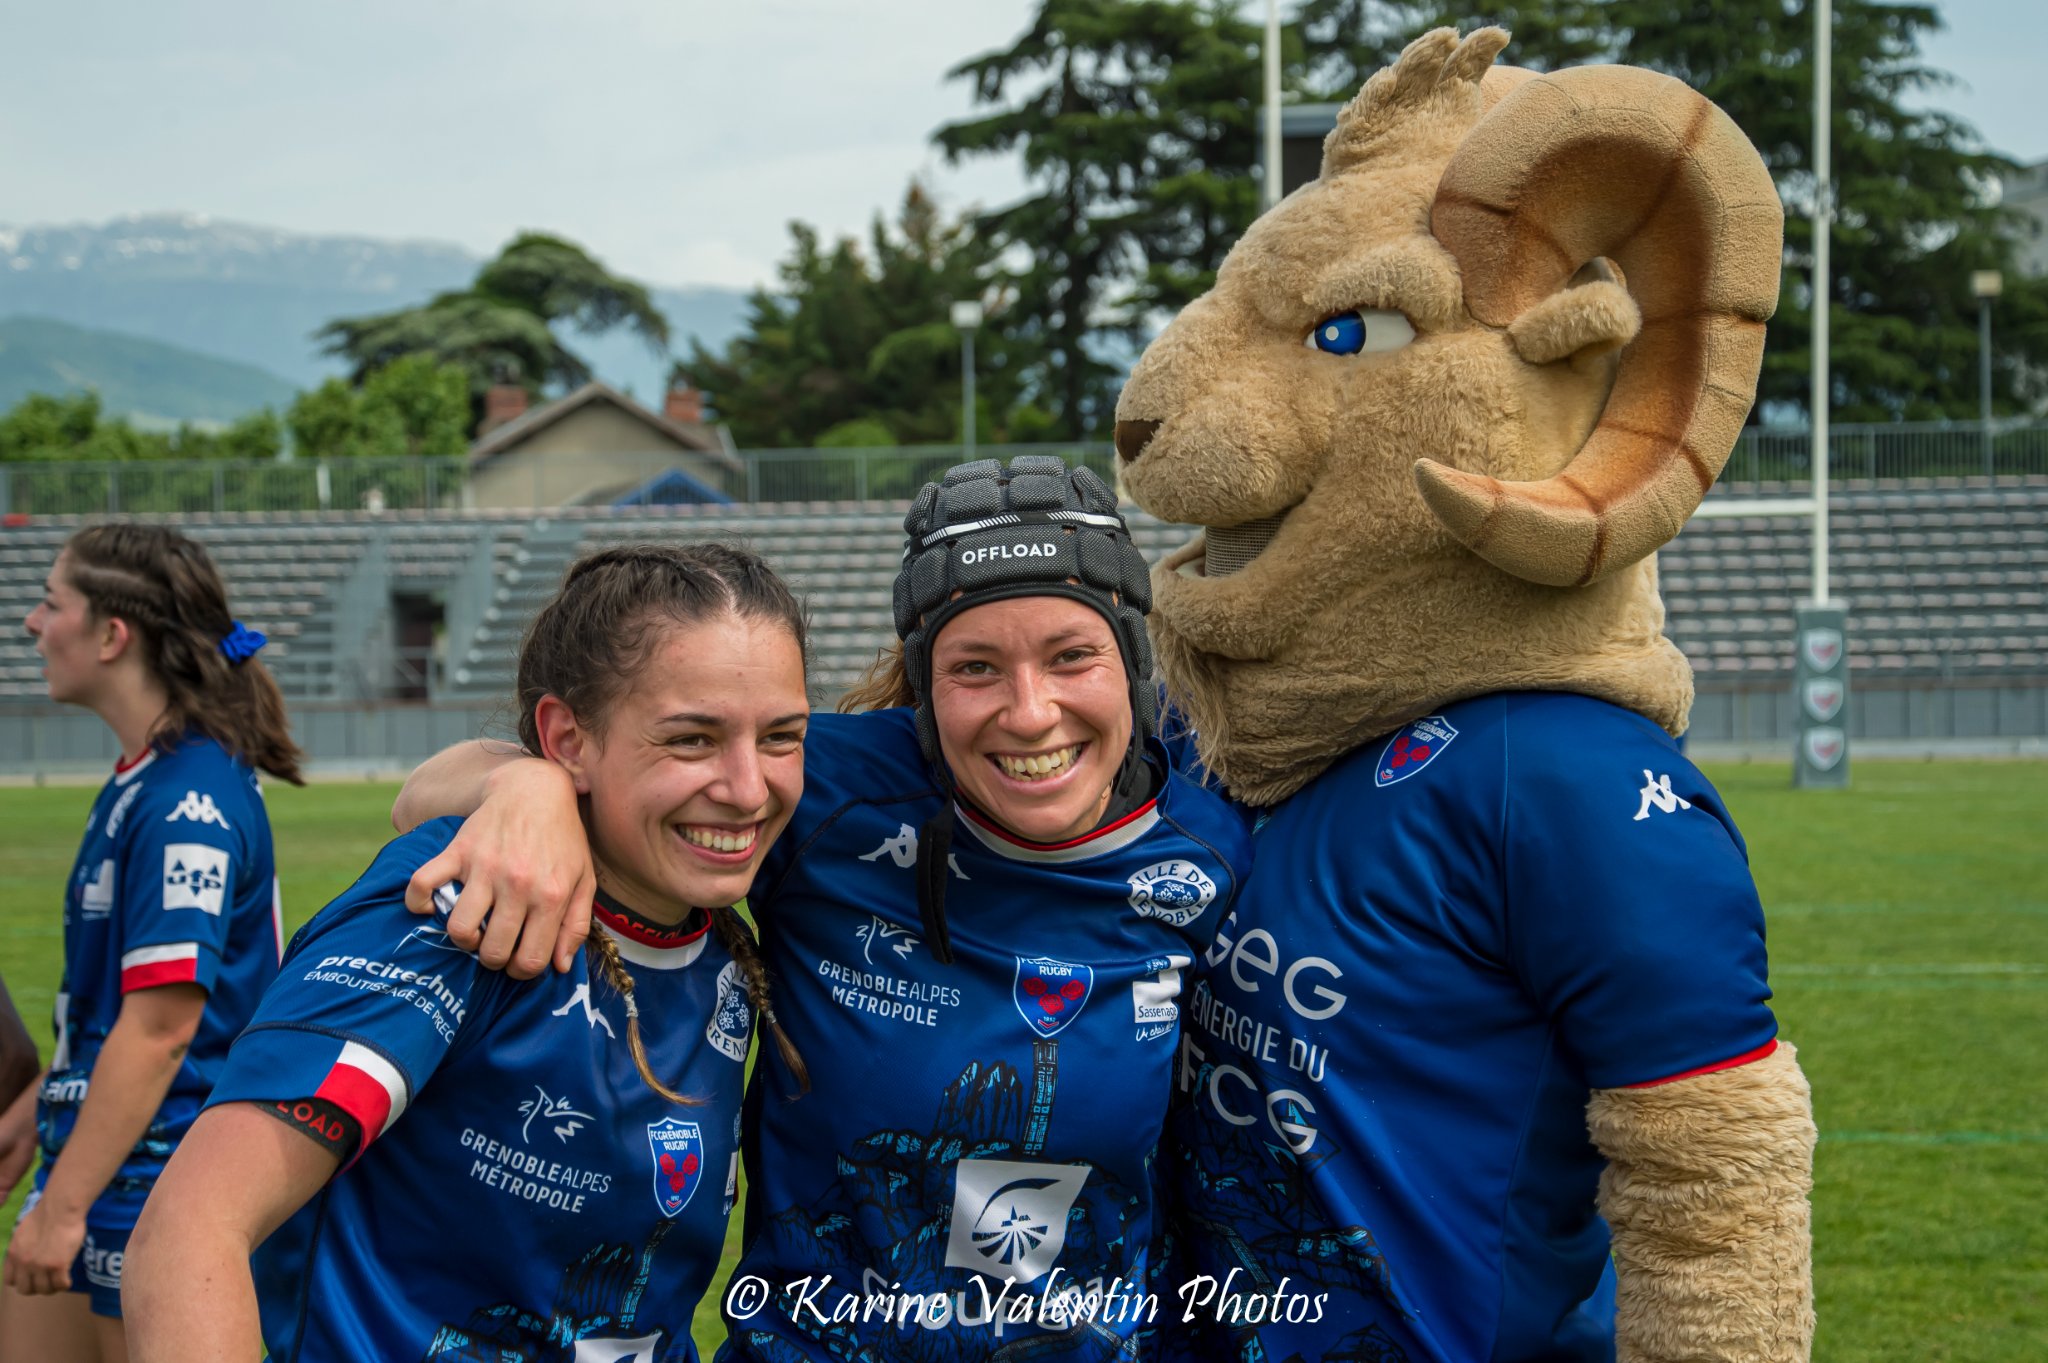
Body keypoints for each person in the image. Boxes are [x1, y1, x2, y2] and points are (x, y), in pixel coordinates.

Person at [391, 456, 1254, 1360]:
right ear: (924, 686)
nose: (1031, 712)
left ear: (1134, 661)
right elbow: (424, 794)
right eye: (975, 666)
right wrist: (527, 784)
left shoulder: (1212, 838)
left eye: (1073, 655)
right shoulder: (821, 791)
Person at [123, 544, 809, 1363]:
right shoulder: (460, 908)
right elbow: (192, 1230)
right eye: (692, 739)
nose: (748, 787)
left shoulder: (723, 929)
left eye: (782, 736)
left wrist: (521, 778)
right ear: (569, 738)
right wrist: (523, 781)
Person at [5, 524, 301, 1363]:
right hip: (101, 1162)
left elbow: (164, 1026)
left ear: (111, 635)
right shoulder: (146, 777)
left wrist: (65, 1207)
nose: (32, 622)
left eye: (52, 602)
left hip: (159, 1180)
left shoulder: (185, 800)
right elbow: (115, 1012)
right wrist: (39, 1110)